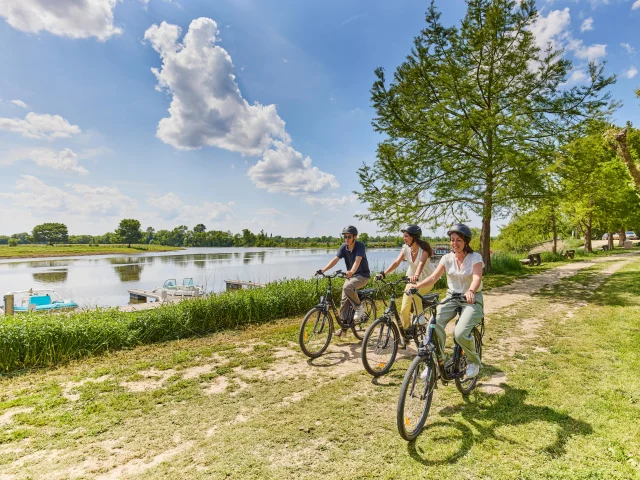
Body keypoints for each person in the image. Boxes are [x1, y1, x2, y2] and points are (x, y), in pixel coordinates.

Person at [411, 223, 484, 378]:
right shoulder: (446, 258)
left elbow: (477, 277)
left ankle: (473, 362)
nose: (454, 243)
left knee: (460, 333)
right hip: (452, 297)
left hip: (471, 298)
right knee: (433, 324)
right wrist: (416, 286)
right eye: (452, 240)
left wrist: (471, 291)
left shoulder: (475, 258)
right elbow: (433, 278)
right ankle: (438, 363)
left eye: (458, 240)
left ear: (466, 242)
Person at [375, 225, 435, 339]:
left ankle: (420, 316)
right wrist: (384, 274)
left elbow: (421, 264)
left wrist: (416, 276)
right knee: (403, 310)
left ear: (414, 237)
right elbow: (396, 262)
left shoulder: (424, 250)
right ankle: (407, 332)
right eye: (404, 236)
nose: (404, 238)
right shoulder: (405, 248)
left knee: (415, 290)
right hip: (411, 280)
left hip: (426, 279)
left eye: (406, 236)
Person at [316, 225, 371, 336]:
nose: (346, 239)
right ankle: (344, 328)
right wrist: (323, 270)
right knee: (343, 301)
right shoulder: (343, 247)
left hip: (362, 276)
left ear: (355, 237)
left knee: (347, 287)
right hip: (351, 277)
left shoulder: (360, 246)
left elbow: (357, 261)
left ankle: (359, 308)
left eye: (349, 237)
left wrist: (351, 271)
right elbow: (335, 259)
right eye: (345, 237)